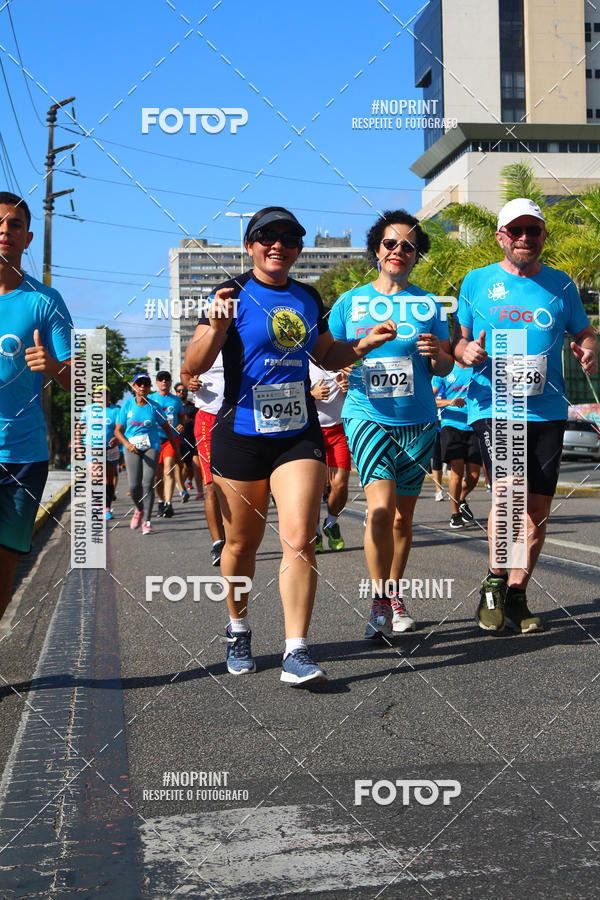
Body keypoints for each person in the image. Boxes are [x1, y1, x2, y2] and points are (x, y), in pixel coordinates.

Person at [181, 205, 396, 685]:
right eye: (267, 236)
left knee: (300, 538)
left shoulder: (306, 297)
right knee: (241, 543)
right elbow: (193, 366)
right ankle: (237, 627)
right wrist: (216, 328)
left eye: (290, 237)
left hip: (298, 433)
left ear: (299, 248)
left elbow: (325, 354)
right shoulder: (229, 295)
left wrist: (361, 346)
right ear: (249, 245)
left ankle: (295, 651)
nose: (278, 244)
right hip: (239, 432)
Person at [453, 197, 598, 633]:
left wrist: (588, 350)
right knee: (510, 494)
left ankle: (517, 593)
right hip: (494, 404)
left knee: (536, 512)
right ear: (500, 237)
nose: (524, 238)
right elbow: (455, 344)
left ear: (542, 236)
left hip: (548, 408)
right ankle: (494, 583)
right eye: (515, 231)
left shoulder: (562, 286)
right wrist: (466, 351)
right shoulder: (476, 282)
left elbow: (586, 334)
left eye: (532, 231)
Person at [328, 209, 453, 638]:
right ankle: (380, 599)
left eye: (409, 245)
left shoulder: (430, 304)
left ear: (418, 255)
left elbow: (443, 368)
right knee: (379, 511)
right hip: (367, 415)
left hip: (417, 420)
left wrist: (438, 352)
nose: (399, 250)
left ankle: (394, 592)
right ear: (376, 249)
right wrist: (356, 353)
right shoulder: (350, 302)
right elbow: (327, 355)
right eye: (390, 243)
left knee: (402, 519)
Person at [0, 192, 73, 619]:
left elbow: (87, 383)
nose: (4, 232)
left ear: (28, 237)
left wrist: (55, 366)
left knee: (5, 564)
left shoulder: (45, 301)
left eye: (13, 225)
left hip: (23, 457)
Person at [114, 372, 182, 534]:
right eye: (139, 384)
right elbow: (118, 431)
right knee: (134, 485)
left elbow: (167, 429)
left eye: (146, 384)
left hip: (152, 446)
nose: (143, 387)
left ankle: (147, 521)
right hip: (132, 448)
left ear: (150, 387)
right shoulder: (127, 405)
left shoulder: (155, 406)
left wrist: (177, 453)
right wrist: (127, 444)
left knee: (147, 483)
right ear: (134, 386)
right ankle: (139, 509)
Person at [187, 356, 226, 567]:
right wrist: (189, 383)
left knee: (235, 485)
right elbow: (186, 372)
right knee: (211, 485)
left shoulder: (244, 336)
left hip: (239, 416)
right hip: (208, 420)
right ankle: (218, 542)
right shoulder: (204, 341)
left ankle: (234, 535)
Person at [432, 362, 482, 529]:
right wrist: (450, 402)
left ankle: (460, 498)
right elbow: (430, 400)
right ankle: (455, 514)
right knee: (457, 471)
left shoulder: (478, 369)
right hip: (451, 426)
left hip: (474, 425)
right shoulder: (445, 369)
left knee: (474, 476)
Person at [309, 360, 351, 552]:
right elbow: (289, 393)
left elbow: (362, 391)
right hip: (311, 430)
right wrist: (312, 395)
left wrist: (349, 389)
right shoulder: (303, 361)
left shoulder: (343, 360)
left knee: (340, 485)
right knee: (314, 488)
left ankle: (331, 523)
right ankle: (315, 531)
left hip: (339, 430)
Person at [75, 385, 121, 520]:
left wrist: (117, 439)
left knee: (109, 479)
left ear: (109, 396)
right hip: (92, 447)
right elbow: (79, 427)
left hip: (110, 449)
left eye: (104, 394)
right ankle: (96, 506)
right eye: (98, 394)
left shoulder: (116, 411)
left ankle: (106, 507)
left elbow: (121, 429)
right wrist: (78, 444)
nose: (101, 396)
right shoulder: (88, 410)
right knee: (96, 477)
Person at [149, 371, 187, 517]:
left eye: (167, 380)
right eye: (161, 380)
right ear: (157, 383)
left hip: (172, 439)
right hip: (155, 440)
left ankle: (168, 504)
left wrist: (181, 425)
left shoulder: (176, 400)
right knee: (157, 477)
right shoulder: (151, 399)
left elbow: (181, 417)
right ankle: (161, 500)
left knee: (168, 471)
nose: (164, 382)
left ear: (170, 382)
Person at [174, 382, 203, 499]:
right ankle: (182, 487)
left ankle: (200, 492)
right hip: (180, 441)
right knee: (184, 467)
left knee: (196, 465)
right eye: (179, 391)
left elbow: (198, 421)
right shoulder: (174, 407)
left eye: (184, 390)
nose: (182, 392)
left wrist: (189, 421)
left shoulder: (193, 407)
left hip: (194, 440)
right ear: (176, 393)